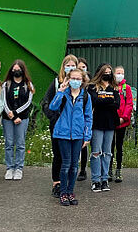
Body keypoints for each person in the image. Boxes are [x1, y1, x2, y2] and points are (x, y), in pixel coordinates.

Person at [49, 68, 93, 206]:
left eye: (78, 79)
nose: (75, 81)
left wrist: (87, 136)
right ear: (68, 79)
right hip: (62, 134)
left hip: (78, 135)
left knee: (74, 166)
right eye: (72, 78)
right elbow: (53, 107)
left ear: (83, 80)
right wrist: (60, 92)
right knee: (65, 164)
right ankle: (63, 193)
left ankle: (70, 191)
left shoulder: (85, 96)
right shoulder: (63, 94)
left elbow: (88, 117)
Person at [41, 54, 78, 196]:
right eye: (67, 65)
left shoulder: (79, 83)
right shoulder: (57, 82)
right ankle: (56, 182)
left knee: (70, 156)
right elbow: (46, 102)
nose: (70, 68)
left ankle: (68, 182)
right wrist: (52, 117)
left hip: (73, 126)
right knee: (58, 154)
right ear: (63, 67)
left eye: (72, 65)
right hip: (58, 125)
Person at [87, 64, 121, 192]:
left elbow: (117, 104)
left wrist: (104, 101)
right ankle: (95, 180)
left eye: (109, 72)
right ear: (100, 73)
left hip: (111, 123)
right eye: (105, 72)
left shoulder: (114, 88)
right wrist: (109, 100)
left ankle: (104, 178)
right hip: (97, 122)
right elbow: (95, 101)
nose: (107, 74)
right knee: (96, 152)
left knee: (107, 152)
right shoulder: (92, 87)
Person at [2, 59, 34, 181]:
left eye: (18, 69)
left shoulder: (28, 85)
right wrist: (11, 115)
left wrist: (16, 114)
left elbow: (28, 103)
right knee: (9, 143)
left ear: (23, 70)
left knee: (20, 143)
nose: (16, 71)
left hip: (22, 118)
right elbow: (4, 101)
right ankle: (9, 168)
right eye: (14, 69)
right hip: (7, 118)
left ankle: (19, 168)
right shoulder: (6, 84)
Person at [112, 65, 133, 182]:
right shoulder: (110, 86)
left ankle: (118, 170)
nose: (120, 75)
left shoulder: (126, 88)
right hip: (111, 121)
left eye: (122, 73)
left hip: (122, 122)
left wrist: (123, 117)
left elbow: (129, 104)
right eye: (118, 72)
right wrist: (113, 117)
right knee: (109, 147)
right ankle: (108, 169)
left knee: (119, 147)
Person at [76, 58, 90, 181]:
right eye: (79, 67)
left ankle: (83, 169)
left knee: (84, 145)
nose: (81, 69)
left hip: (88, 117)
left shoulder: (89, 85)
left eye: (83, 67)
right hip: (75, 120)